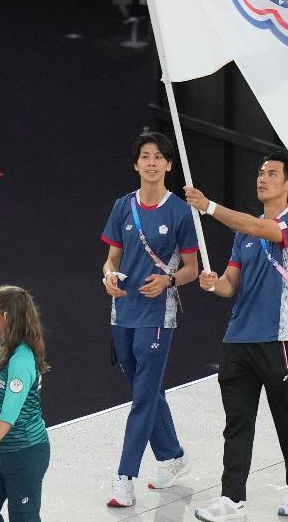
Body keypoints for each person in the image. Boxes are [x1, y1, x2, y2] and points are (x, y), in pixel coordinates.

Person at [183, 150, 288, 521]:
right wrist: (212, 284)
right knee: (237, 421)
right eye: (260, 172)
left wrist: (208, 206)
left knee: (285, 413)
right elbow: (229, 286)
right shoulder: (246, 233)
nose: (262, 178)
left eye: (272, 173)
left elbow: (258, 228)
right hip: (238, 338)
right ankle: (232, 498)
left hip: (278, 338)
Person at [101, 131, 200, 507]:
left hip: (159, 314)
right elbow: (112, 258)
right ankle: (173, 455)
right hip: (122, 311)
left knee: (142, 396)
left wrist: (168, 280)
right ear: (137, 164)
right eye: (146, 156)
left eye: (159, 156)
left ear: (169, 165)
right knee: (147, 390)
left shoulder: (179, 212)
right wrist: (108, 276)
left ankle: (124, 478)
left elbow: (192, 268)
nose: (152, 162)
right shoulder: (122, 207)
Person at [0, 286, 51, 522]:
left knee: (23, 518)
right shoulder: (9, 348)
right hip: (3, 448)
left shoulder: (22, 360)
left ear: (6, 316)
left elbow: (10, 413)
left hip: (25, 452)